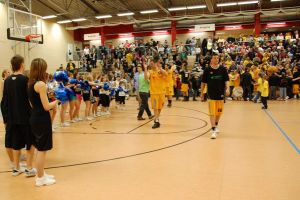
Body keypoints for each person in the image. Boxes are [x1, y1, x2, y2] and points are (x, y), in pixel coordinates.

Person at [1, 55, 35, 176]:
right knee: (30, 142)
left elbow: (4, 101)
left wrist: (5, 118)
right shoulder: (25, 80)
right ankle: (29, 168)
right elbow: (30, 100)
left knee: (15, 143)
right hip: (25, 117)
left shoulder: (7, 81)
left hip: (12, 118)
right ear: (21, 65)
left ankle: (16, 168)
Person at [28, 58, 58, 186]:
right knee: (42, 149)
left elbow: (32, 103)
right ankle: (40, 179)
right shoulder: (41, 84)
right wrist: (57, 101)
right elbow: (46, 106)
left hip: (35, 116)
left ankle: (41, 173)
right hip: (41, 118)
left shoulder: (30, 83)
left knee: (40, 148)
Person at [201, 53, 229, 139]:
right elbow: (203, 82)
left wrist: (228, 89)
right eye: (214, 58)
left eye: (217, 58)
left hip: (220, 94)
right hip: (211, 94)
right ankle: (213, 130)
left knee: (219, 112)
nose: (216, 59)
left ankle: (215, 125)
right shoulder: (207, 70)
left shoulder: (223, 69)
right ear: (211, 60)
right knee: (212, 112)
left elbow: (226, 80)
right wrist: (202, 93)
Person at [144, 55, 167, 129]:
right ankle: (156, 121)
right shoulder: (150, 71)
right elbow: (146, 78)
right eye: (150, 64)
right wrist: (145, 68)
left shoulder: (160, 70)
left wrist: (160, 68)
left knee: (159, 108)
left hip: (162, 92)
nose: (151, 65)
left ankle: (156, 119)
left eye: (152, 63)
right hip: (154, 93)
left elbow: (165, 74)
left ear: (155, 63)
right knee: (155, 108)